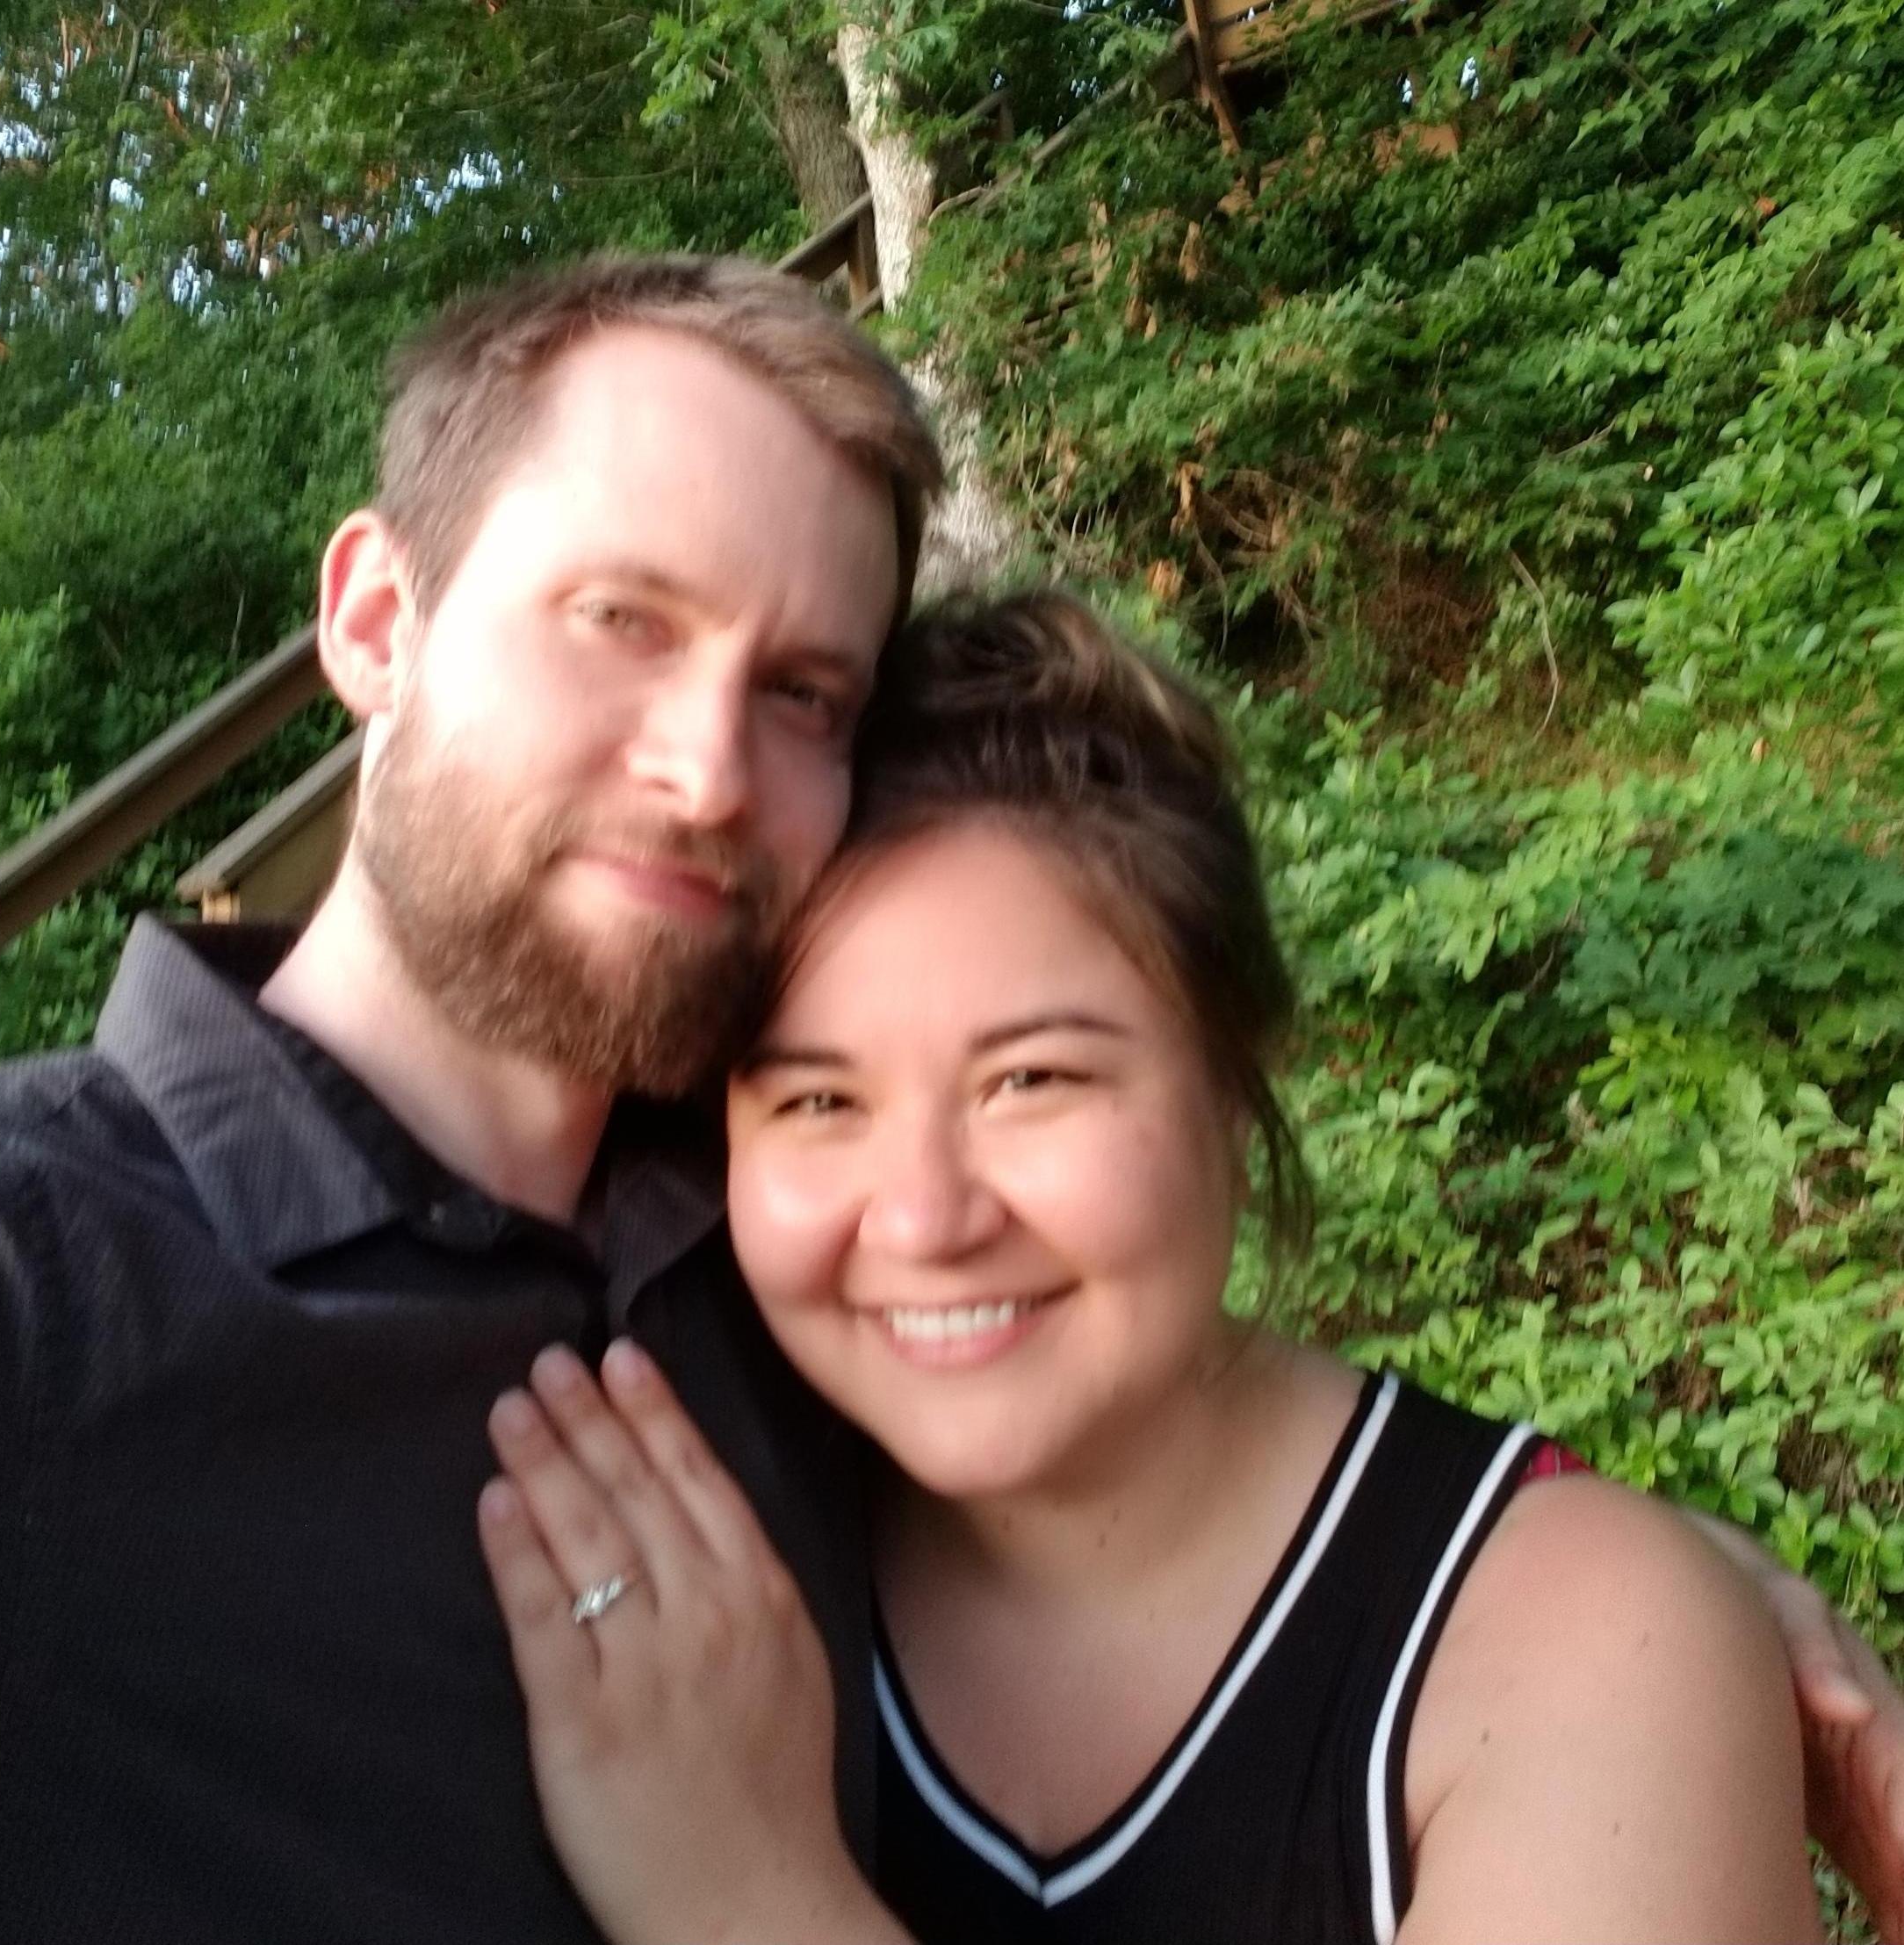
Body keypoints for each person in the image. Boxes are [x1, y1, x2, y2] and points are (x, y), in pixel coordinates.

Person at [0, 255, 1898, 1942]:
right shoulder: (28, 1293)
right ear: (376, 620)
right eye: (618, 617)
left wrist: (1615, 1611)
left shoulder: (766, 1264)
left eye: (802, 688)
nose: (709, 767)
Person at [479, 591, 1895, 1943]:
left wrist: (743, 1905)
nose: (920, 1219)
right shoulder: (697, 1510)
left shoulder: (1572, 1656)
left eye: (1033, 1079)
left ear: (1233, 1079)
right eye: (816, 1101)